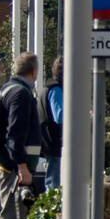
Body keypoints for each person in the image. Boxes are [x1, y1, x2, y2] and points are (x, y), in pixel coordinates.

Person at [0, 51, 42, 219]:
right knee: (11, 216)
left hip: (8, 163)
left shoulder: (8, 89)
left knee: (15, 214)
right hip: (13, 167)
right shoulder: (20, 94)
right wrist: (22, 166)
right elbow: (15, 133)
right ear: (34, 71)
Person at [41, 56, 63, 189]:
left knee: (52, 181)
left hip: (50, 142)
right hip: (53, 143)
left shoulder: (49, 87)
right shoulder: (56, 90)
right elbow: (59, 116)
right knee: (53, 185)